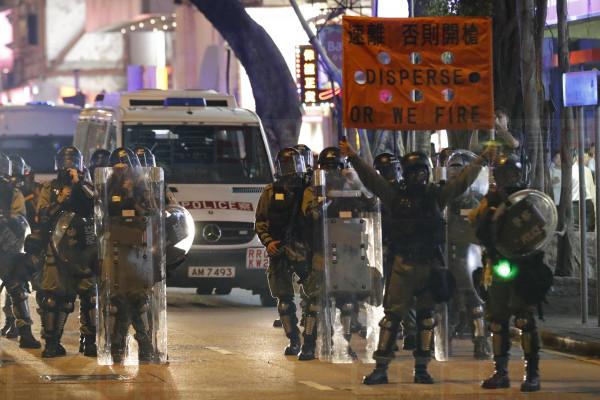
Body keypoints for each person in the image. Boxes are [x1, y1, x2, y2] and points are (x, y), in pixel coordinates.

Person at [339, 139, 494, 385]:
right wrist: (354, 157)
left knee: (426, 319)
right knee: (391, 319)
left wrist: (483, 158)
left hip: (429, 266)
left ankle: (422, 367)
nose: (420, 177)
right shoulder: (395, 197)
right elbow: (372, 180)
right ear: (408, 174)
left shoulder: (436, 196)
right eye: (416, 172)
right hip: (403, 265)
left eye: (424, 172)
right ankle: (381, 367)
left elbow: (462, 180)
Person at [469, 154, 551, 392]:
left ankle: (532, 374)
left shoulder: (527, 198)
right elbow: (479, 228)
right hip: (498, 264)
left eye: (510, 174)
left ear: (518, 174)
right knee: (497, 321)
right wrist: (490, 211)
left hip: (523, 266)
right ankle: (500, 372)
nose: (506, 179)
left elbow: (540, 230)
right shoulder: (491, 199)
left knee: (524, 319)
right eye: (502, 175)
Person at [36, 146, 96, 357]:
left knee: (91, 297)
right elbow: (42, 216)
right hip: (57, 246)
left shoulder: (87, 185)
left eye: (72, 161)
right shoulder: (50, 188)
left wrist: (78, 184)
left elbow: (95, 207)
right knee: (53, 298)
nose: (68, 165)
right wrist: (61, 198)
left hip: (85, 249)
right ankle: (52, 344)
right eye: (65, 161)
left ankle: (89, 342)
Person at [255, 147, 309, 357]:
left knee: (314, 298)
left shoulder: (307, 190)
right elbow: (260, 222)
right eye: (286, 165)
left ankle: (312, 341)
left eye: (293, 164)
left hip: (303, 249)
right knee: (284, 301)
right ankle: (294, 340)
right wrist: (268, 242)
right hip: (278, 249)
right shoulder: (270, 192)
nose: (290, 170)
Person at [444, 151, 490, 359]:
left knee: (474, 300)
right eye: (453, 175)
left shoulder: (477, 201)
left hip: (471, 255)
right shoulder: (444, 198)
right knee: (447, 303)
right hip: (447, 253)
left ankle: (480, 341)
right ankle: (442, 342)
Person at [373, 153, 417, 351]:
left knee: (402, 293)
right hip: (383, 247)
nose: (390, 175)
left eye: (392, 170)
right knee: (390, 295)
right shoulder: (378, 195)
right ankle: (401, 333)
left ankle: (410, 333)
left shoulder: (406, 194)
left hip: (403, 248)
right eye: (385, 171)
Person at [0, 153, 41, 348]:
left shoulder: (12, 192)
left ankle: (24, 332)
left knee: (17, 288)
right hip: (9, 249)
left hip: (8, 247)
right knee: (17, 288)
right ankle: (24, 333)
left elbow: (18, 221)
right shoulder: (12, 191)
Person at [572, 154, 596, 232]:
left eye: (586, 157)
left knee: (590, 224)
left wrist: (594, 200)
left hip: (588, 199)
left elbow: (591, 186)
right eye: (584, 157)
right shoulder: (571, 170)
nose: (586, 159)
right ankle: (577, 243)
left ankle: (589, 243)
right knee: (576, 225)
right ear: (577, 157)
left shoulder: (588, 170)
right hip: (575, 200)